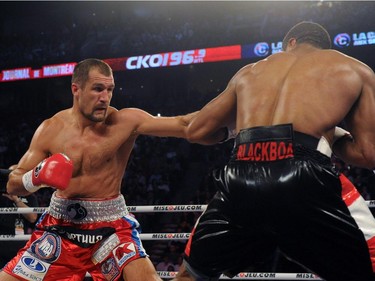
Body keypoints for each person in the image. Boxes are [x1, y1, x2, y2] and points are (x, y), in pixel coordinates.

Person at [172, 21, 375, 281]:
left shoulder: (250, 71)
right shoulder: (355, 68)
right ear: (324, 48)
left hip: (241, 172)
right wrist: (333, 137)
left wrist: (233, 132)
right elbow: (367, 154)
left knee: (192, 274)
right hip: (303, 176)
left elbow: (196, 131)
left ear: (289, 43)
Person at [0, 58, 196, 281]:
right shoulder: (51, 128)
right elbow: (13, 184)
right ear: (76, 89)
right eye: (97, 89)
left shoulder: (124, 121)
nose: (105, 97)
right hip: (59, 229)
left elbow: (184, 124)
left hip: (112, 230)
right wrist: (36, 177)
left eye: (110, 89)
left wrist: (233, 115)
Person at [0, 165, 39, 268]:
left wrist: (17, 200)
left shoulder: (29, 196)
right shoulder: (1, 194)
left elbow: (33, 218)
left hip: (20, 241)